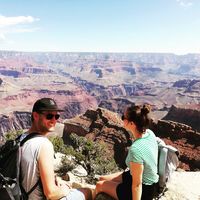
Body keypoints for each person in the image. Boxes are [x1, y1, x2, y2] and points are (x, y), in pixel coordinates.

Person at [20, 97, 92, 200]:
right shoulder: (44, 145)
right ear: (35, 116)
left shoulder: (19, 139)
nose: (54, 120)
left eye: (56, 116)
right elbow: (51, 194)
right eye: (49, 116)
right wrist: (65, 188)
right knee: (87, 192)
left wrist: (54, 180)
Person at [95, 104, 159, 200]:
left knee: (99, 185)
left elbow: (137, 185)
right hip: (141, 177)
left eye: (124, 117)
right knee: (101, 179)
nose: (122, 118)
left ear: (132, 124)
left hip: (145, 190)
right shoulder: (150, 133)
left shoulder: (136, 149)